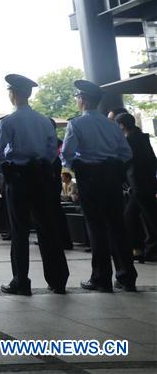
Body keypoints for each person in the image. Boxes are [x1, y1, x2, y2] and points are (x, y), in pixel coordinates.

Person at [0, 74, 68, 295]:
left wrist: (6, 170)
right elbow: (51, 151)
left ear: (13, 94)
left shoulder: (9, 121)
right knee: (48, 229)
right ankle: (58, 280)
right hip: (41, 177)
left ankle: (21, 281)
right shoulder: (44, 120)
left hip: (18, 179)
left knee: (19, 230)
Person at [61, 79, 136, 292]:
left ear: (82, 100)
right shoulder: (112, 125)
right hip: (111, 180)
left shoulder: (76, 124)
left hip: (90, 179)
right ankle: (126, 276)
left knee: (96, 229)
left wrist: (80, 167)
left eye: (77, 98)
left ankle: (101, 277)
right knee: (117, 227)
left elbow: (66, 154)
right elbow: (127, 154)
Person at [116, 113, 157, 261]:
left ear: (121, 125)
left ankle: (143, 249)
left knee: (145, 217)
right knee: (138, 215)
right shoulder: (141, 137)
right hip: (146, 183)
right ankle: (140, 249)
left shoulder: (130, 140)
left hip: (138, 184)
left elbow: (126, 161)